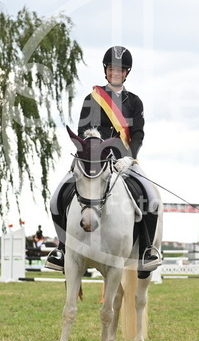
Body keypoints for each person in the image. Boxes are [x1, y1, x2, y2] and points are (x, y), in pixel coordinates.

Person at [46, 46, 162, 276]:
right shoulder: (92, 99)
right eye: (111, 69)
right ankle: (61, 249)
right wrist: (92, 154)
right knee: (57, 198)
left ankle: (146, 250)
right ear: (106, 70)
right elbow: (82, 131)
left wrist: (129, 157)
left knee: (150, 197)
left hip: (123, 161)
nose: (115, 73)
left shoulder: (134, 102)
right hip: (93, 162)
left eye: (120, 70)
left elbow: (138, 133)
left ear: (126, 73)